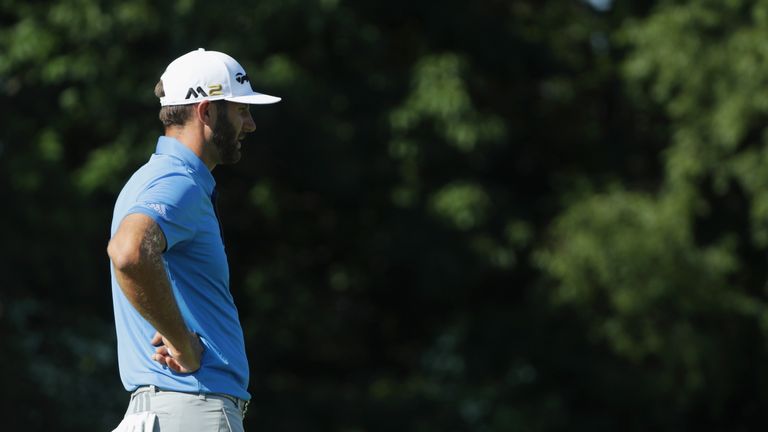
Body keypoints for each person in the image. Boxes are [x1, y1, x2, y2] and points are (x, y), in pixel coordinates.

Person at [107, 48, 280, 432]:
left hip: (165, 411)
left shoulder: (154, 177)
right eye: (240, 110)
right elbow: (129, 251)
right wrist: (181, 342)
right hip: (191, 409)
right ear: (205, 112)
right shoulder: (177, 182)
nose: (249, 124)